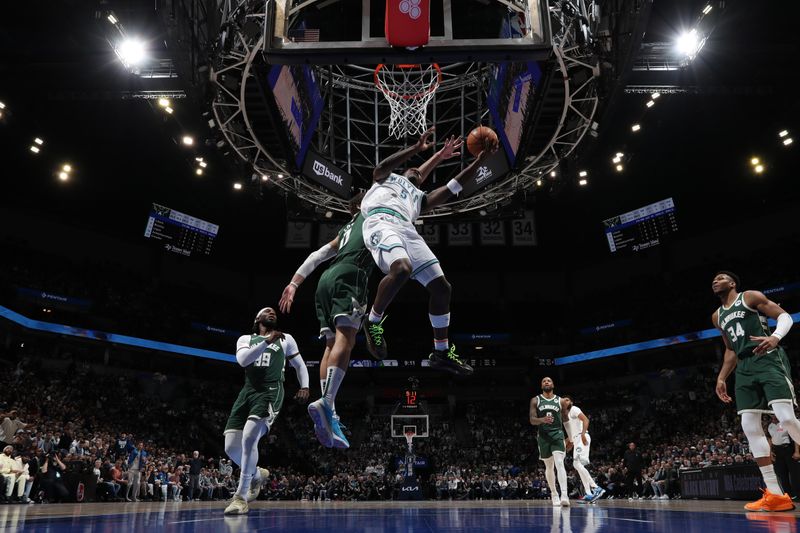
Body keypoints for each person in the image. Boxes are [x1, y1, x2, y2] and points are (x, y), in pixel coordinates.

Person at [360, 127, 496, 374]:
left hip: (407, 229)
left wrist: (479, 162)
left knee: (442, 287)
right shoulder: (386, 178)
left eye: (418, 173)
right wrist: (417, 150)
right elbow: (381, 167)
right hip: (380, 220)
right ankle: (372, 322)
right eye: (412, 169)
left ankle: (441, 352)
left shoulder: (419, 198)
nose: (415, 171)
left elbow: (453, 186)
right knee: (401, 269)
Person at [279, 193, 372, 449]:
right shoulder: (373, 216)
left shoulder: (345, 229)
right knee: (347, 338)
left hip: (325, 281)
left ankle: (329, 410)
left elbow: (318, 255)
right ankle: (327, 402)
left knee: (330, 345)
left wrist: (294, 283)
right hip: (351, 275)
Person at [712, 270, 799, 511]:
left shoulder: (749, 297)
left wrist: (775, 337)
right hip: (744, 367)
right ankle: (775, 494)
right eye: (713, 280)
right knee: (749, 427)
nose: (715, 281)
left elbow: (785, 317)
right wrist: (721, 378)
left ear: (732, 283)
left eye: (720, 278)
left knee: (787, 419)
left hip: (767, 358)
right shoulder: (717, 316)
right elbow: (730, 350)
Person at [223, 306, 309, 515]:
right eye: (266, 311)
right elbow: (243, 360)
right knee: (230, 446)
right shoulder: (245, 339)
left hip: (270, 391)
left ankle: (241, 497)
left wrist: (305, 385)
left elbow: (299, 365)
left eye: (274, 312)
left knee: (250, 437)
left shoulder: (286, 338)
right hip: (248, 392)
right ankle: (255, 474)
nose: (272, 313)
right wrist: (266, 341)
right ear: (257, 319)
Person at [529, 376, 570, 507]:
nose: (547, 382)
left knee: (559, 462)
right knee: (549, 466)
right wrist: (542, 420)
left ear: (553, 384)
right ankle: (554, 493)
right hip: (543, 436)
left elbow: (566, 420)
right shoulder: (536, 400)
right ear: (542, 386)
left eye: (549, 381)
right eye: (544, 381)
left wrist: (571, 438)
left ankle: (564, 494)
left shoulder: (561, 401)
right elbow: (532, 419)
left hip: (557, 433)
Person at [562, 396, 605, 502]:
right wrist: (569, 442)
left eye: (567, 400)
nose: (565, 401)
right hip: (577, 439)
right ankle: (589, 493)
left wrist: (582, 435)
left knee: (577, 464)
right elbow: (571, 434)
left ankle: (596, 488)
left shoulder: (574, 409)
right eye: (563, 400)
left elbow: (586, 420)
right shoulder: (566, 416)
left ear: (571, 402)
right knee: (577, 465)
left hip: (582, 437)